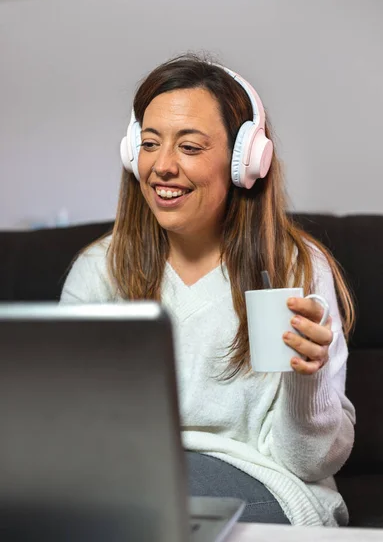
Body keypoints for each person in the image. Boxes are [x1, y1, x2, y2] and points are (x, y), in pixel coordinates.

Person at [60, 54, 356, 526]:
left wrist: (308, 379)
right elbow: (68, 429)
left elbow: (310, 462)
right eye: (151, 144)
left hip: (263, 480)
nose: (162, 166)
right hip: (128, 478)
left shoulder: (294, 268)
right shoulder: (99, 269)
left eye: (191, 147)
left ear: (246, 163)